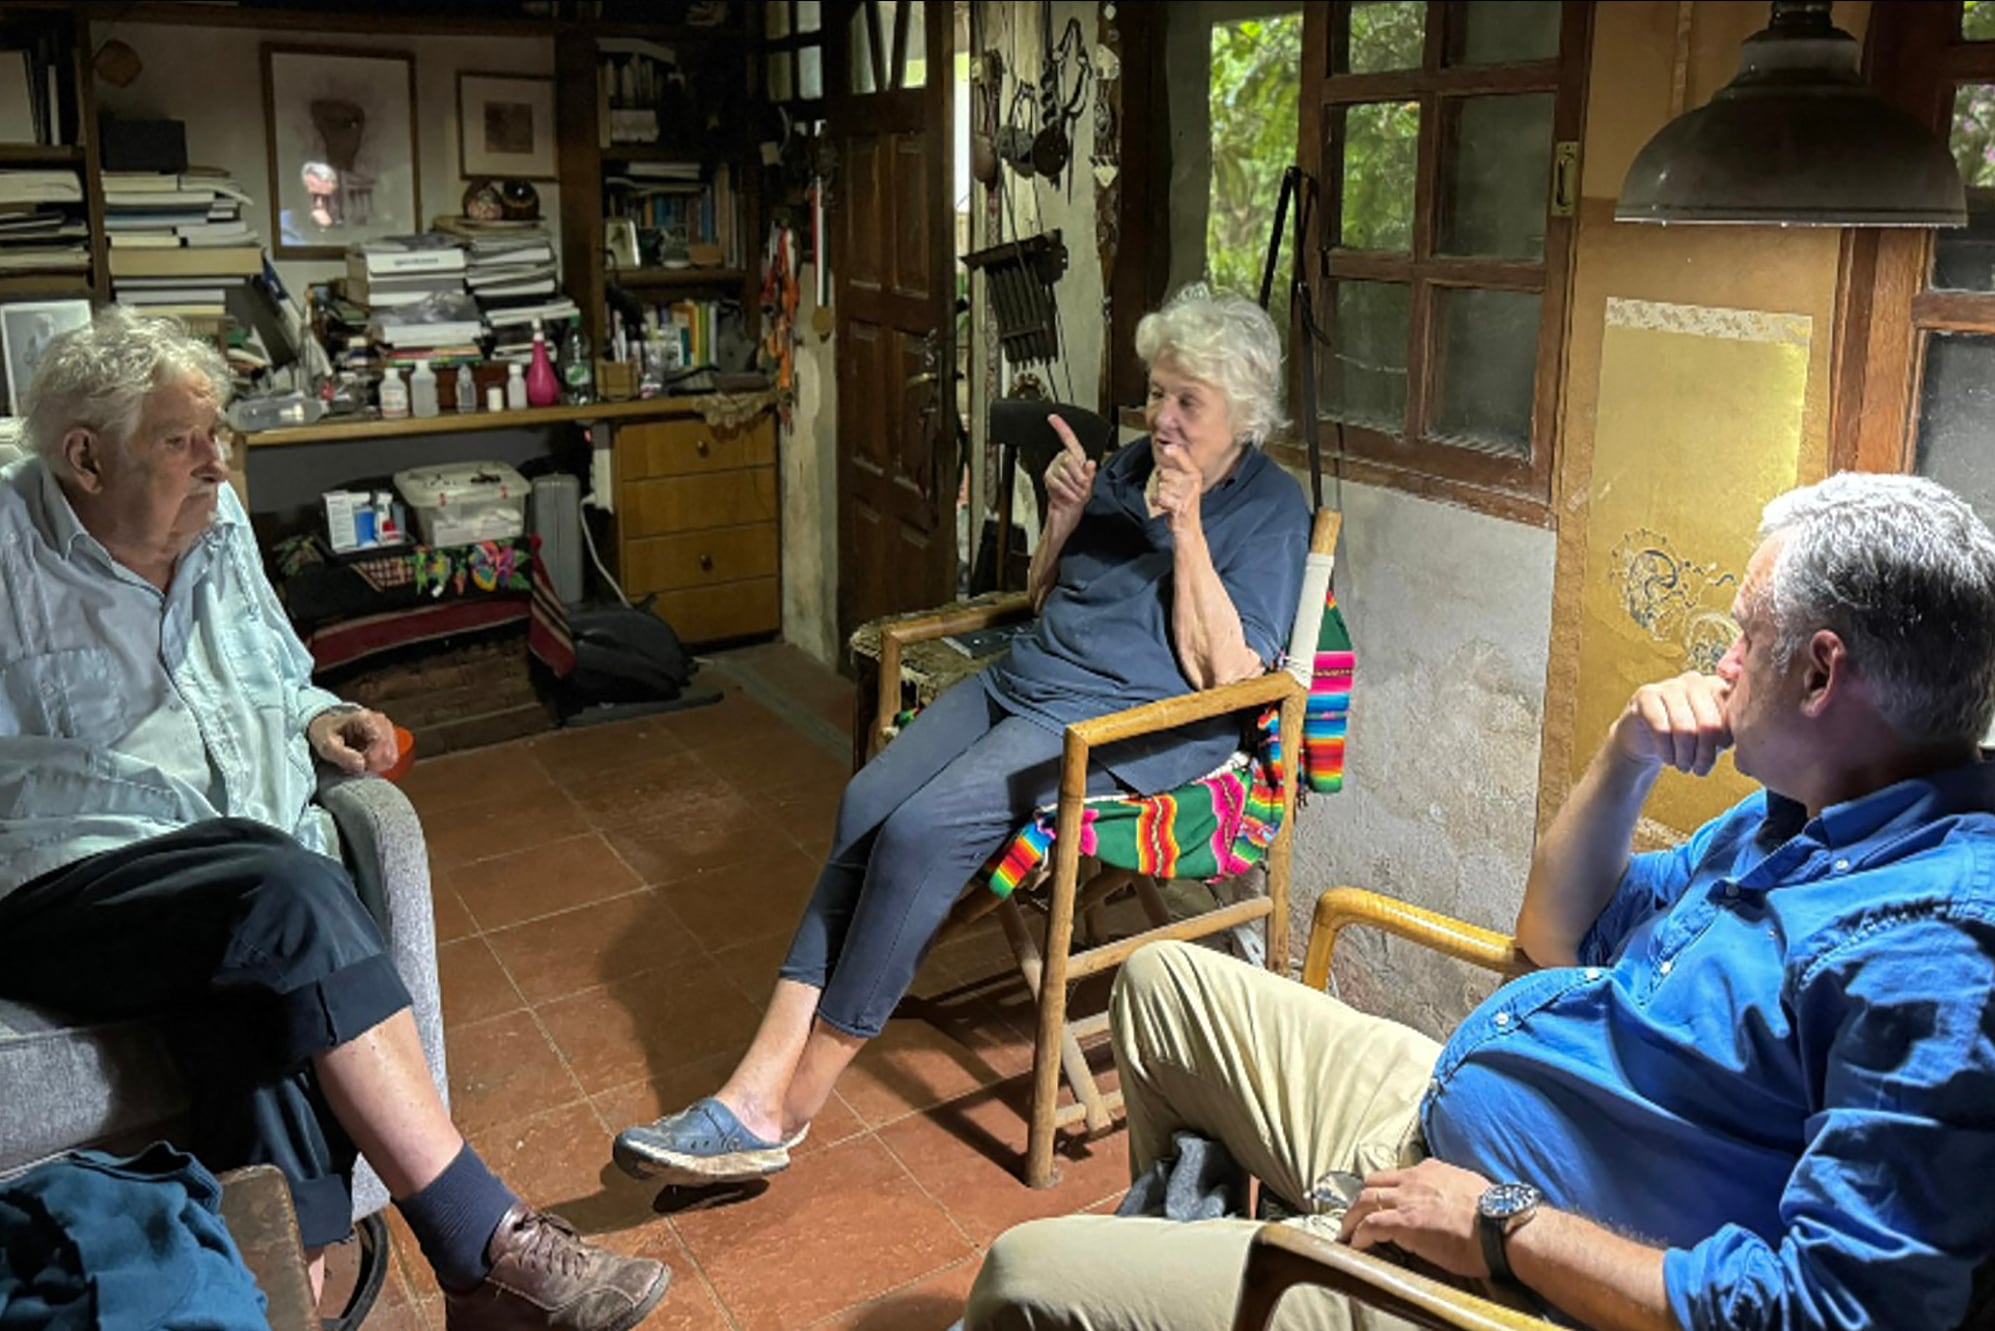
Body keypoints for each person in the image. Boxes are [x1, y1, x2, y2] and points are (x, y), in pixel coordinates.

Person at [961, 471, 1995, 1331]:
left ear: (1820, 674)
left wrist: (1503, 1223)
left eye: (1744, 634)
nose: (1720, 664)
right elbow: (1549, 935)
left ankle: (1277, 1273)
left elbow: (1832, 1310)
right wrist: (1627, 751)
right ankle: (1234, 1261)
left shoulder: (1926, 953)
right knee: (1162, 988)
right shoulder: (1793, 818)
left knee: (1020, 1276)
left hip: (1508, 1278)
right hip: (1450, 1129)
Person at [0, 308, 670, 1331]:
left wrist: (329, 716)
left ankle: (299, 1292)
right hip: (80, 882)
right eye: (182, 442)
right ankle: (481, 1242)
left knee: (259, 992)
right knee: (282, 886)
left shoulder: (212, 523)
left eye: (216, 436)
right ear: (84, 458)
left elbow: (280, 673)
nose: (217, 467)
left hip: (236, 894)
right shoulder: (6, 549)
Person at [613, 286, 1312, 1185]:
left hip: (1119, 728)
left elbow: (1225, 674)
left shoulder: (1268, 509)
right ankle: (755, 1078)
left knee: (917, 832)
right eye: (1156, 393)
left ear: (1242, 415)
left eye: (1188, 402)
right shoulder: (1130, 463)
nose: (1161, 420)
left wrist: (1184, 532)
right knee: (867, 799)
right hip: (1027, 681)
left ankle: (780, 1109)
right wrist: (1061, 520)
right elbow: (1047, 599)